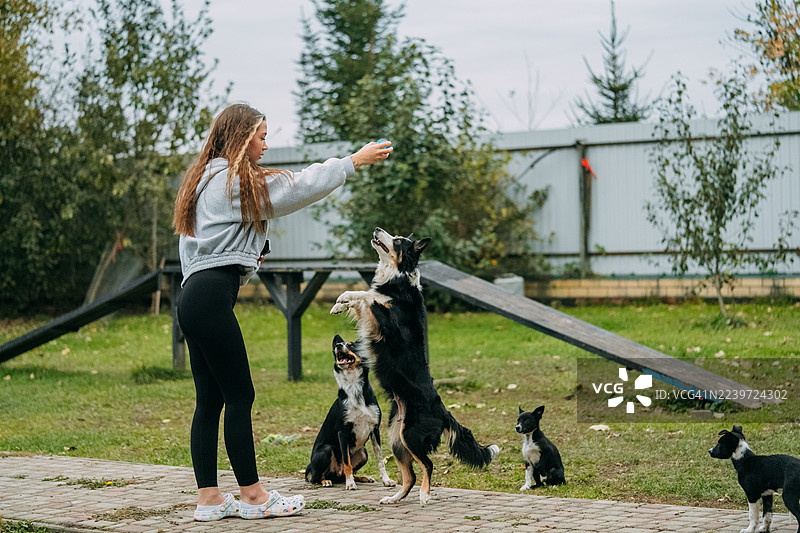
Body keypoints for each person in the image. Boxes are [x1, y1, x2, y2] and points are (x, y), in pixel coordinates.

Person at [172, 103, 392, 521]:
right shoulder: (231, 180)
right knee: (240, 395)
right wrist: (351, 162)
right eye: (261, 137)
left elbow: (207, 247)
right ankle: (254, 497)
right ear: (240, 139)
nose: (266, 146)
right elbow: (293, 189)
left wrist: (248, 254)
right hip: (210, 298)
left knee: (210, 400)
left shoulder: (202, 180)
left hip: (193, 297)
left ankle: (209, 501)